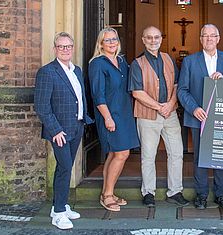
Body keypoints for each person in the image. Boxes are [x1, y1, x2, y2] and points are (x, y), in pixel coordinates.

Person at [177, 24, 223, 209]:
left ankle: (221, 194)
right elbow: (182, 90)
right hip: (199, 117)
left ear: (218, 39)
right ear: (200, 39)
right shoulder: (189, 61)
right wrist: (194, 108)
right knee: (200, 157)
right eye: (205, 36)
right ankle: (201, 195)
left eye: (213, 36)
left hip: (222, 117)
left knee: (221, 156)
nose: (209, 39)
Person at [34, 32, 93, 229]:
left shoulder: (76, 70)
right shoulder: (47, 72)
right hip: (59, 131)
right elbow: (42, 106)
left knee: (64, 168)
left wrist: (84, 120)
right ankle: (59, 213)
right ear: (55, 49)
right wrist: (55, 130)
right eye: (61, 46)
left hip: (76, 126)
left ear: (73, 48)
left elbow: (79, 98)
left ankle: (60, 206)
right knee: (65, 167)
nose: (65, 49)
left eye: (68, 46)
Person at [129, 26, 189, 207]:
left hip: (170, 114)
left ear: (161, 39)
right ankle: (148, 193)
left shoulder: (168, 58)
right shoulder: (137, 63)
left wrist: (170, 104)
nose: (153, 40)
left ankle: (175, 191)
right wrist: (158, 107)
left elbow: (177, 84)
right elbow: (137, 92)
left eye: (156, 37)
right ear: (143, 39)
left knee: (177, 153)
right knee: (148, 155)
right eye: (149, 37)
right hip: (148, 115)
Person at [88, 28, 140, 212]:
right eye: (107, 40)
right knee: (121, 153)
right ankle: (108, 195)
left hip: (124, 113)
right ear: (100, 44)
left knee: (114, 154)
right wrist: (107, 117)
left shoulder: (121, 60)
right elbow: (97, 94)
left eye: (114, 39)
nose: (111, 42)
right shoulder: (97, 64)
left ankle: (107, 192)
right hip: (110, 115)